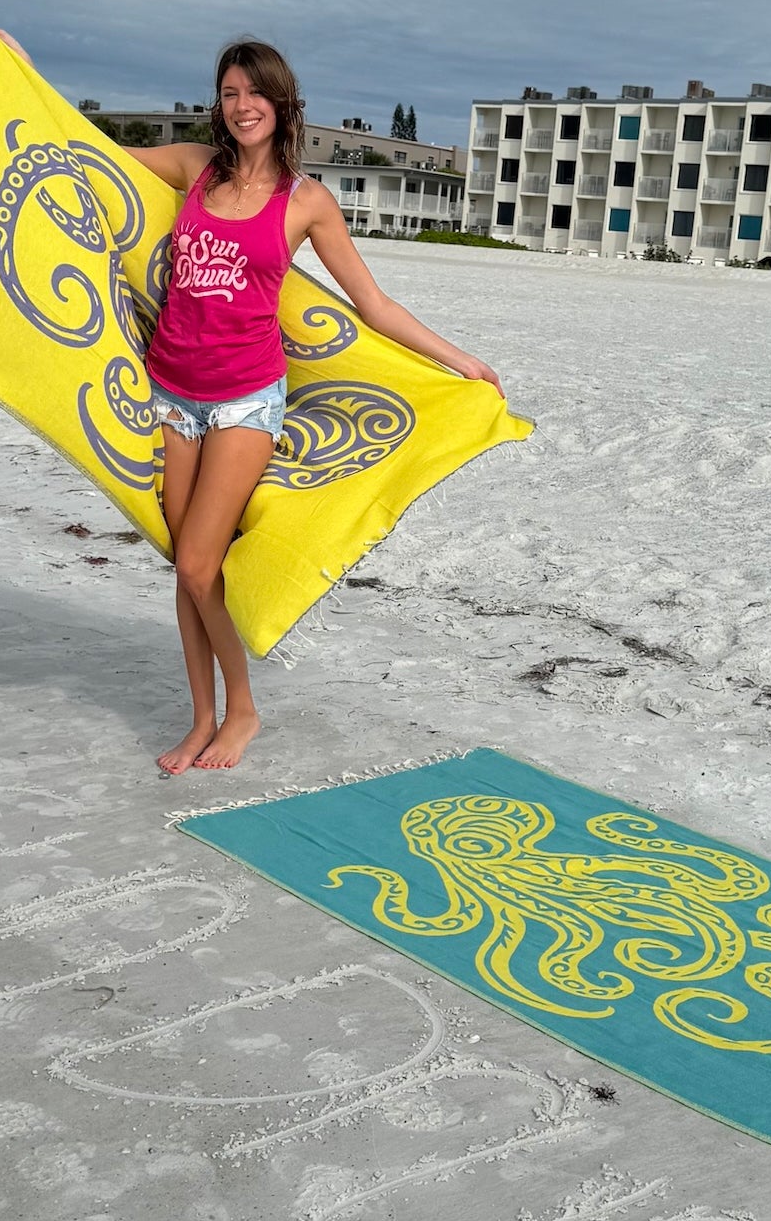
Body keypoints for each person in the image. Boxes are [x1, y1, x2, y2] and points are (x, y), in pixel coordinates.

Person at [128, 38, 502, 776]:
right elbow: (83, 148)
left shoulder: (306, 202)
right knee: (186, 568)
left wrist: (459, 360)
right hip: (172, 393)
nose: (242, 106)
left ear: (282, 103)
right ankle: (200, 719)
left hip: (245, 399)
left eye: (254, 93)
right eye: (229, 93)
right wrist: (20, 72)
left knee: (201, 563)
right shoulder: (194, 168)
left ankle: (243, 710)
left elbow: (372, 304)